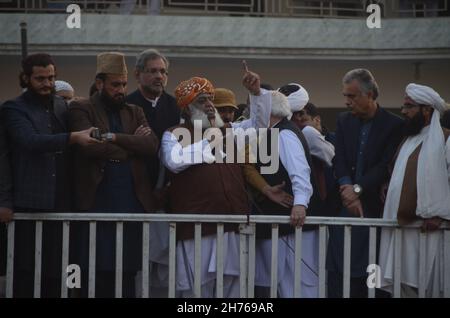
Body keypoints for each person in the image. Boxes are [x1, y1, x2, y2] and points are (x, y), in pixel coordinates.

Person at [160, 65, 272, 297]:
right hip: (197, 231)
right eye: (202, 101)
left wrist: (256, 93)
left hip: (232, 229)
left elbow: (259, 125)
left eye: (211, 99)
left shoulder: (229, 131)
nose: (210, 105)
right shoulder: (173, 134)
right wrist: (211, 140)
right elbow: (173, 161)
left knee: (233, 291)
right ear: (188, 109)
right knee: (196, 294)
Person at [1, 53, 97, 297]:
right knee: (26, 273)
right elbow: (30, 141)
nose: (46, 84)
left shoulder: (60, 105)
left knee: (58, 273)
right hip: (29, 203)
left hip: (61, 202)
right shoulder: (13, 109)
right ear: (26, 78)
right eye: (40, 79)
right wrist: (74, 137)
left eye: (51, 78)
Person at [69, 52, 159, 297]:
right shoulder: (81, 108)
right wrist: (131, 146)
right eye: (115, 85)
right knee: (93, 269)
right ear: (100, 84)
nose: (121, 90)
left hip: (130, 201)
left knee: (127, 270)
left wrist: (114, 138)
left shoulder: (134, 111)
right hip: (97, 200)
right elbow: (89, 145)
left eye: (124, 84)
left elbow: (151, 146)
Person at [326, 68, 404, 298]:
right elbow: (338, 159)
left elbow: (384, 165)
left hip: (374, 210)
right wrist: (347, 188)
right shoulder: (343, 121)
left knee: (373, 276)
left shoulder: (393, 125)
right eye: (345, 96)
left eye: (352, 96)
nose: (347, 102)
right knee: (341, 275)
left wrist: (357, 190)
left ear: (369, 94)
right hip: (345, 207)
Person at [379, 83, 450, 297]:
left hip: (430, 230)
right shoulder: (408, 140)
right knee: (405, 286)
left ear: (426, 110)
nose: (403, 111)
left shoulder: (446, 139)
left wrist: (440, 215)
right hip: (400, 228)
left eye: (409, 106)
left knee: (429, 286)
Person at [251, 90, 319, 298]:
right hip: (282, 225)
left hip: (294, 224)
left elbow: (300, 171)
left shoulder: (285, 134)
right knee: (282, 285)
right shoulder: (272, 132)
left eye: (257, 108)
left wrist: (300, 204)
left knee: (298, 285)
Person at [125, 48, 180, 296]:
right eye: (153, 71)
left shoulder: (177, 107)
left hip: (170, 199)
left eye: (163, 72)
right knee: (138, 266)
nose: (160, 76)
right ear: (138, 74)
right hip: (134, 196)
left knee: (169, 270)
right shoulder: (127, 106)